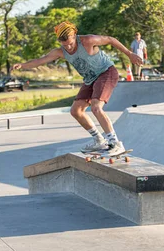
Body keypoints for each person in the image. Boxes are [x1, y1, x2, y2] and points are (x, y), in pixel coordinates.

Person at [13, 21, 142, 155]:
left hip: (106, 72)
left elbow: (110, 40)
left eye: (70, 43)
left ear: (75, 35)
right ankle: (99, 140)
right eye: (65, 45)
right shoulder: (59, 52)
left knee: (96, 107)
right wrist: (22, 65)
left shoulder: (88, 40)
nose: (68, 47)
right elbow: (40, 61)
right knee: (76, 111)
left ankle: (115, 143)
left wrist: (129, 54)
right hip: (90, 79)